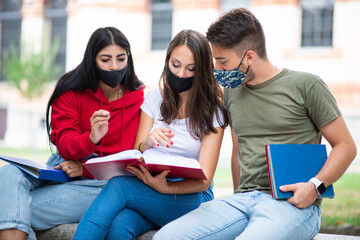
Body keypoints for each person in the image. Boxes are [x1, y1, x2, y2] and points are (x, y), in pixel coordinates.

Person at [153, 8, 357, 240]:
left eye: (222, 61)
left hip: (294, 205)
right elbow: (238, 150)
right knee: (166, 237)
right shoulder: (232, 92)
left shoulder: (306, 86)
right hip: (243, 201)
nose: (217, 70)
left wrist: (315, 187)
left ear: (249, 57)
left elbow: (346, 147)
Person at [73, 29, 228, 240]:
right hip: (151, 189)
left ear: (201, 71)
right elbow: (137, 151)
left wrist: (167, 188)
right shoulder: (155, 99)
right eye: (175, 65)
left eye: (190, 68)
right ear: (167, 61)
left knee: (119, 187)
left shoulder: (214, 112)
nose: (181, 74)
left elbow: (204, 181)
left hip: (191, 195)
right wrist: (148, 142)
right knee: (120, 225)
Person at [0, 27, 144, 240]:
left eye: (121, 59)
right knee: (8, 174)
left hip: (106, 183)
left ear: (128, 59)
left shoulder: (140, 101)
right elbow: (65, 143)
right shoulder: (71, 89)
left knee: (13, 208)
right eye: (105, 59)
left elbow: (131, 160)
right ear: (92, 60)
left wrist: (85, 168)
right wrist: (91, 138)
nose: (114, 67)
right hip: (62, 167)